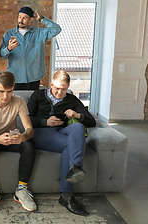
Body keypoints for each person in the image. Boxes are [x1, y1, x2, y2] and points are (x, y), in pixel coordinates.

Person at [27, 70, 96, 216]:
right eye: (57, 88)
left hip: (61, 132)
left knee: (78, 126)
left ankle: (76, 166)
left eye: (63, 89)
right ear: (51, 84)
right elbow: (25, 119)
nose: (59, 92)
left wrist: (77, 115)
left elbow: (92, 121)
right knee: (69, 145)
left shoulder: (72, 99)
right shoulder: (37, 95)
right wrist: (45, 122)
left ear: (68, 87)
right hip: (41, 132)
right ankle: (67, 196)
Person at [0, 70, 37, 212]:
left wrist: (22, 136)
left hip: (10, 139)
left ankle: (21, 189)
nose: (5, 96)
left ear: (13, 88)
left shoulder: (19, 101)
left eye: (9, 91)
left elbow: (30, 130)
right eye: (1, 91)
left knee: (29, 144)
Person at [0, 6, 61, 91]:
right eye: (19, 17)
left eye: (24, 18)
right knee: (17, 103)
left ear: (30, 20)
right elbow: (2, 55)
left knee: (32, 103)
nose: (20, 20)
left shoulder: (39, 33)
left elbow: (57, 29)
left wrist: (41, 19)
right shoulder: (9, 34)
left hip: (34, 77)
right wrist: (9, 48)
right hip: (15, 78)